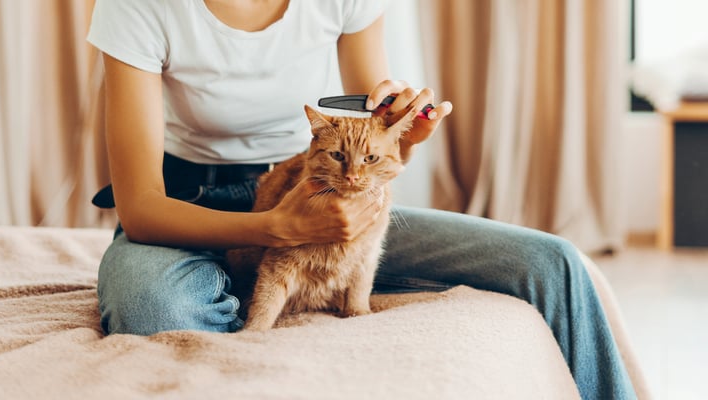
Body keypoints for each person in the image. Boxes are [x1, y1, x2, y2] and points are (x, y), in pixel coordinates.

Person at [87, 1, 636, 398]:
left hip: (318, 184)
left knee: (554, 262)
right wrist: (277, 231)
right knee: (154, 308)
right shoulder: (137, 7)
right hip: (189, 200)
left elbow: (376, 142)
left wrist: (407, 135)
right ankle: (257, 280)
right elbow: (140, 208)